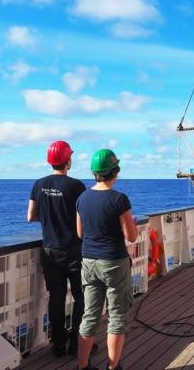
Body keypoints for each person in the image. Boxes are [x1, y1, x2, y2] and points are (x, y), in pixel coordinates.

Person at [75, 149, 138, 370]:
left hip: (89, 262)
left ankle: (82, 366)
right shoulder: (119, 199)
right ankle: (112, 367)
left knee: (90, 314)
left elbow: (80, 233)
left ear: (95, 172)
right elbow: (131, 236)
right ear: (115, 171)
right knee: (117, 315)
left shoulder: (82, 198)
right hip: (113, 262)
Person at [27, 140, 86, 357]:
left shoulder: (38, 184)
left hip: (50, 250)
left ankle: (58, 343)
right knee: (81, 296)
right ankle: (76, 343)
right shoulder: (76, 186)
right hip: (74, 251)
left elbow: (30, 216)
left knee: (56, 298)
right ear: (68, 160)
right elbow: (84, 219)